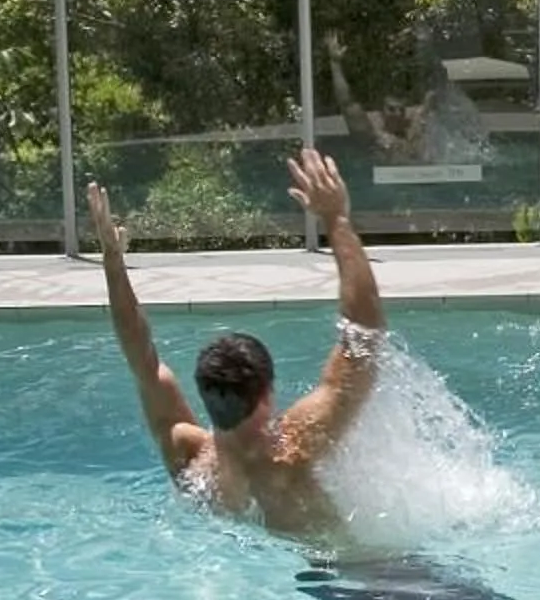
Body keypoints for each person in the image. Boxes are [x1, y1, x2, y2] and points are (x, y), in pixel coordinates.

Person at [86, 148, 386, 538]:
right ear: (267, 393)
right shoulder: (296, 447)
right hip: (361, 576)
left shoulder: (191, 461)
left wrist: (113, 264)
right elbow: (363, 333)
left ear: (206, 397)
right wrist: (337, 220)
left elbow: (142, 361)